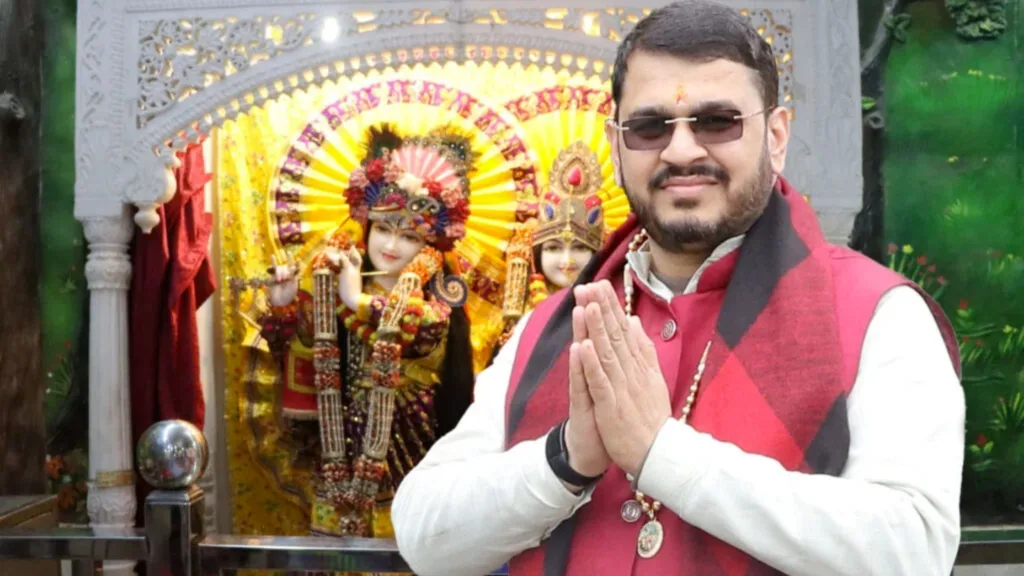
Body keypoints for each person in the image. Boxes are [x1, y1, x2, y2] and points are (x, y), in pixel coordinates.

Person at [390, 2, 965, 575]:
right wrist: (566, 457)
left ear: (776, 135)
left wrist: (663, 455)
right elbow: (425, 537)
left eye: (718, 122)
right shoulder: (554, 325)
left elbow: (914, 551)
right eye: (650, 126)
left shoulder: (877, 314)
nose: (682, 150)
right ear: (617, 143)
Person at [264, 124, 475, 540]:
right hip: (341, 444)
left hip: (415, 442)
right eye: (383, 228)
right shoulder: (340, 282)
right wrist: (285, 302)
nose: (391, 246)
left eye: (409, 235)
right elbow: (302, 352)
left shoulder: (436, 300)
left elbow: (421, 333)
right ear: (366, 224)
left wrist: (358, 300)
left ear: (430, 245)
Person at [493, 141, 607, 353]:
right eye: (553, 248)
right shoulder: (520, 319)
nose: (567, 260)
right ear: (535, 254)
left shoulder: (610, 312)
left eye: (580, 248)